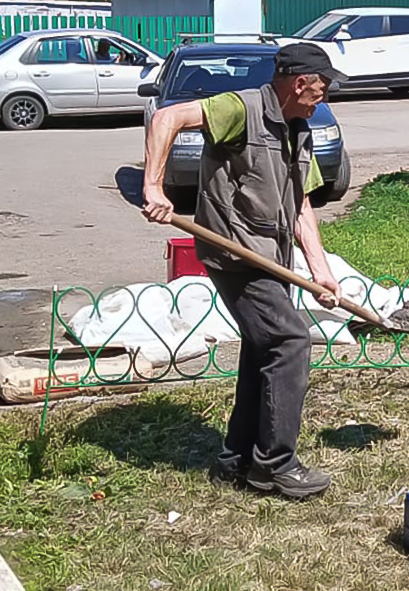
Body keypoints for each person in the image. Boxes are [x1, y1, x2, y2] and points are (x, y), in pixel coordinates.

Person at [142, 41, 346, 498]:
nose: (325, 99)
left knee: (263, 348)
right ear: (299, 83)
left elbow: (300, 205)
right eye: (322, 89)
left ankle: (239, 458)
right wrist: (154, 187)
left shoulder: (299, 128)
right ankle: (274, 465)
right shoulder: (241, 108)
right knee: (290, 341)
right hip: (235, 253)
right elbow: (166, 118)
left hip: (271, 254)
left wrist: (320, 269)